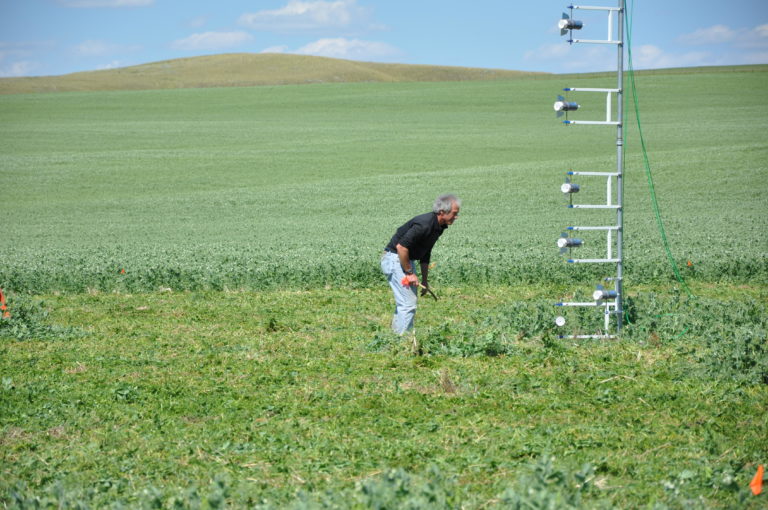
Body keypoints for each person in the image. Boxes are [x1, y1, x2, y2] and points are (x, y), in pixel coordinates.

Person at [381, 194, 461, 334]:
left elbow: (425, 252)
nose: (456, 217)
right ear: (442, 212)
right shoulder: (424, 224)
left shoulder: (439, 226)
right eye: (455, 213)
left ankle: (395, 337)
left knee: (405, 302)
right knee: (407, 304)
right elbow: (401, 247)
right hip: (395, 259)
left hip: (404, 260)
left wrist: (424, 279)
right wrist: (410, 273)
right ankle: (402, 342)